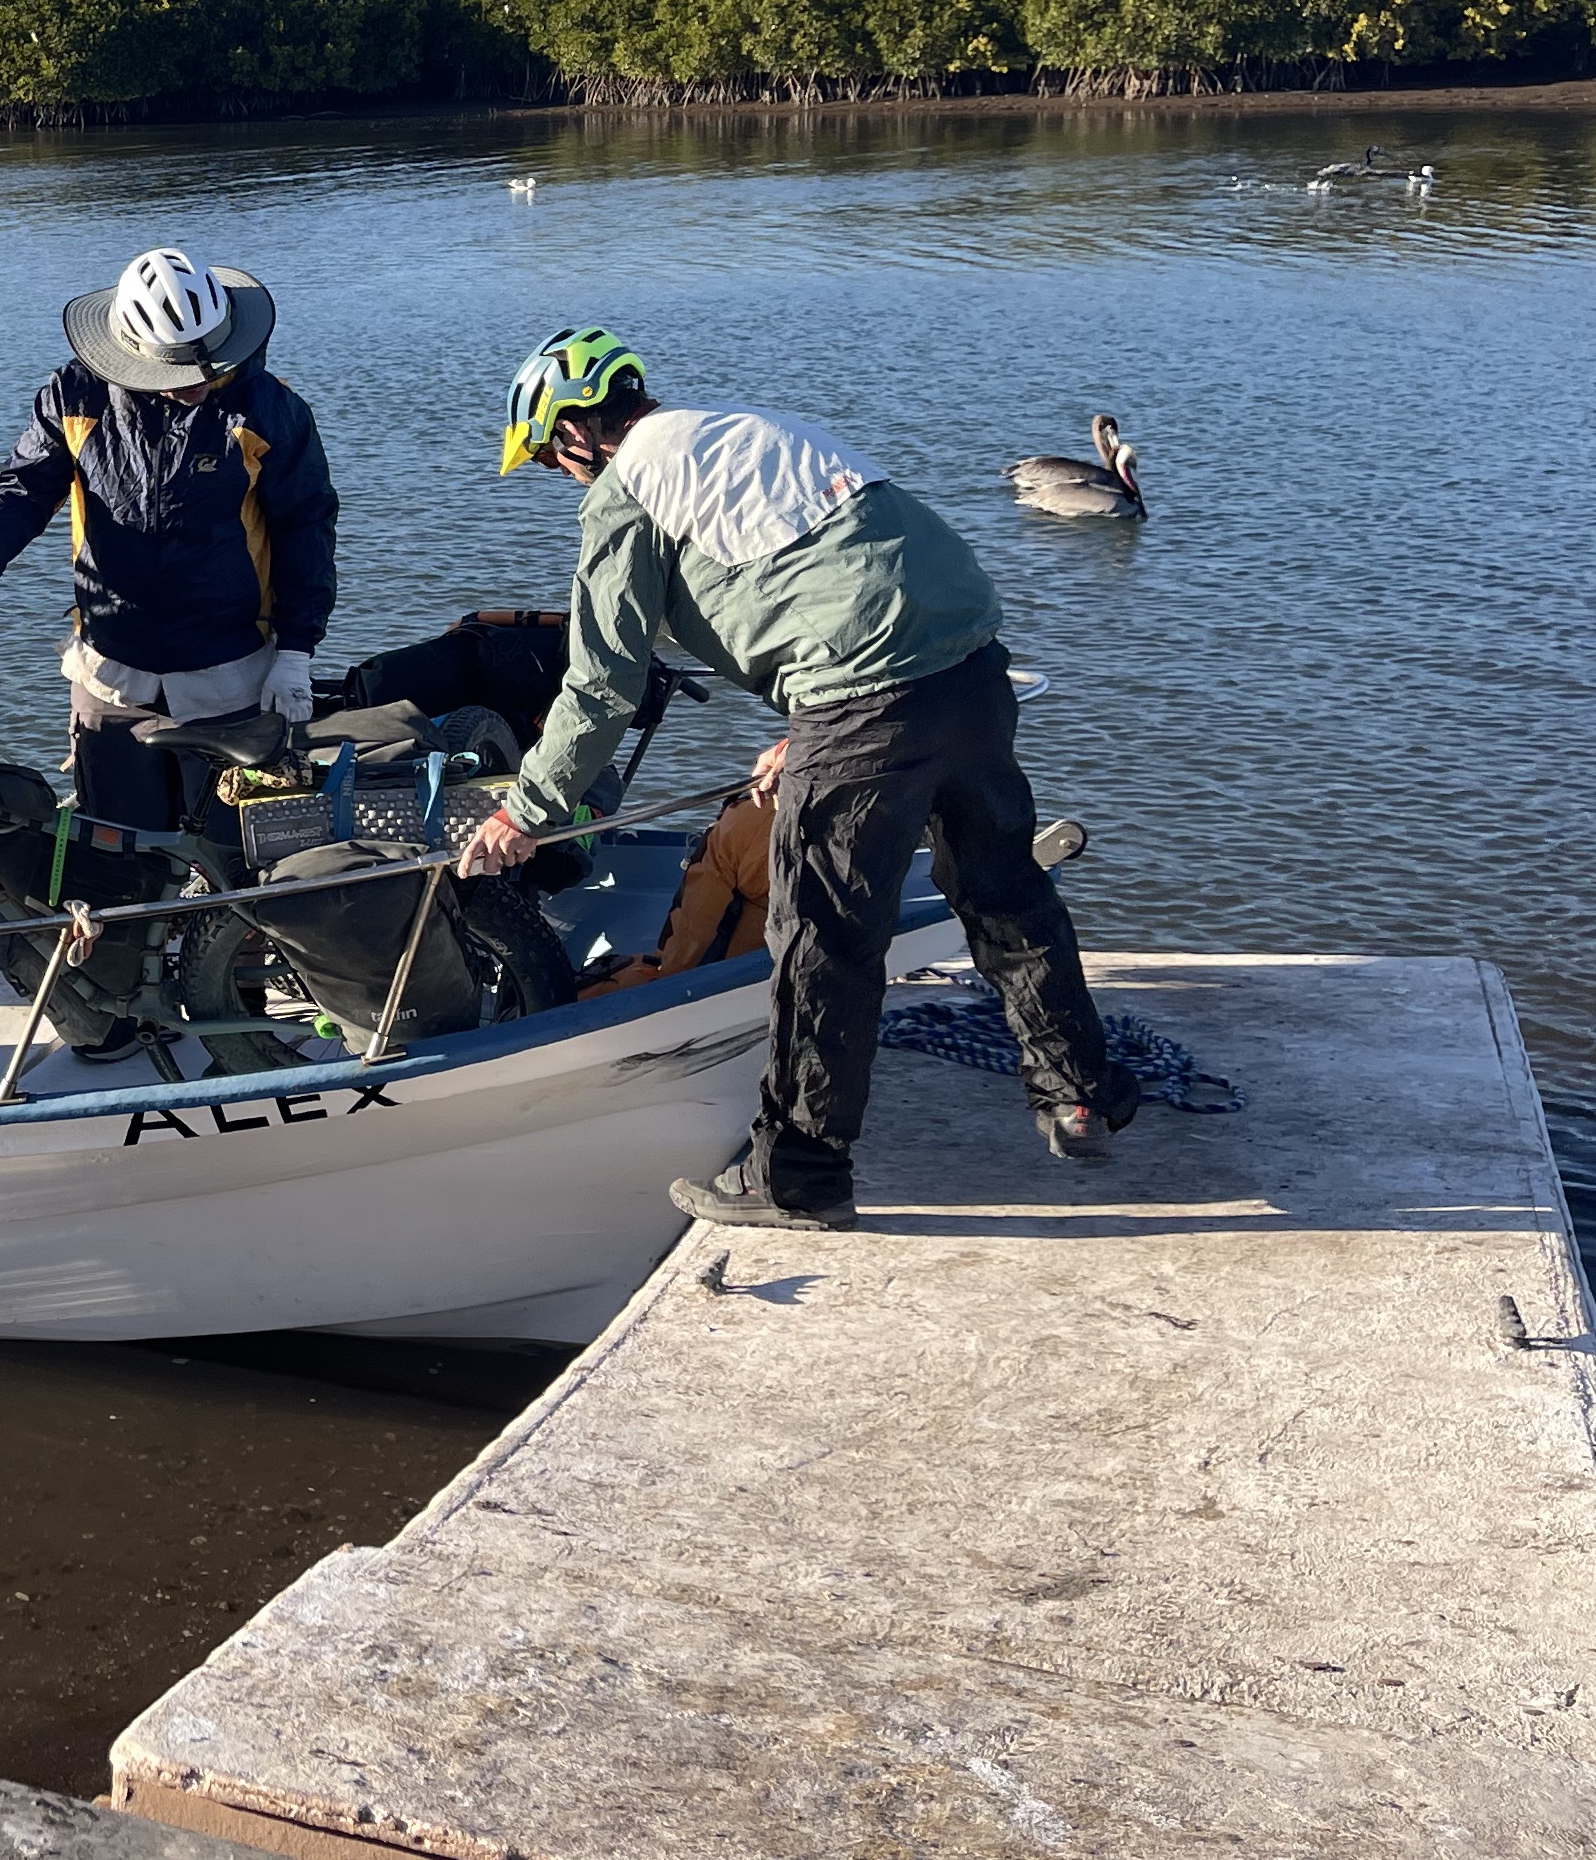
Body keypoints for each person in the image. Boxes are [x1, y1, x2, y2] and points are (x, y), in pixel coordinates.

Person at [458, 328, 1136, 1230]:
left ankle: (800, 1175)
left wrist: (528, 813)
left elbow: (602, 682)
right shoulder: (744, 431)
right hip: (969, 666)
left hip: (863, 702)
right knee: (1004, 886)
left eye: (552, 459)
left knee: (822, 938)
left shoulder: (628, 489)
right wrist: (803, 723)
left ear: (576, 433)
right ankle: (1077, 1094)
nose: (564, 477)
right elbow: (840, 566)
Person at [0, 245, 337, 834]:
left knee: (232, 866)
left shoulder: (269, 411)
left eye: (209, 365)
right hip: (111, 679)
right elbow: (25, 489)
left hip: (232, 676)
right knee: (119, 859)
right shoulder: (75, 398)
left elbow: (307, 527)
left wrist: (296, 651)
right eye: (178, 370)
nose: (198, 382)